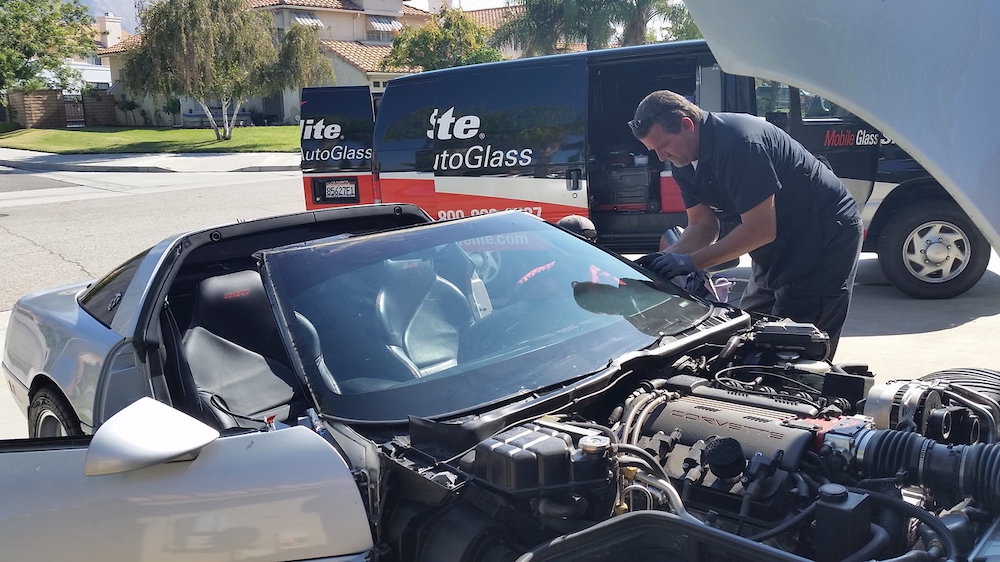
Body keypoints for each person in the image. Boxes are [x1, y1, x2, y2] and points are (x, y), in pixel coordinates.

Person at [630, 90, 862, 358]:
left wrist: (690, 262)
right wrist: (660, 263)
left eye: (664, 145)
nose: (661, 157)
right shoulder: (683, 159)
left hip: (821, 235)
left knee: (797, 343)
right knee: (747, 329)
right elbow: (703, 226)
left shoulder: (739, 143)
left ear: (687, 125)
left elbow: (760, 229)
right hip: (774, 241)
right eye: (654, 150)